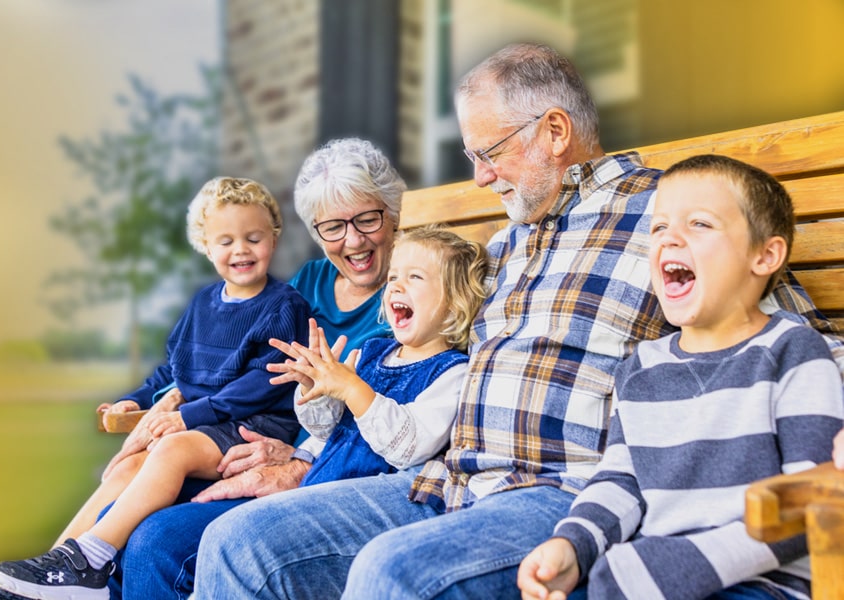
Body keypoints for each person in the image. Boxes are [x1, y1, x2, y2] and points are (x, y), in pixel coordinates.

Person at [192, 43, 843, 600]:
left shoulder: (666, 213)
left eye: (489, 153)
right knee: (237, 544)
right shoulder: (505, 243)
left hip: (563, 494)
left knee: (393, 575)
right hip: (445, 480)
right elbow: (420, 359)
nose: (478, 178)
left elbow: (796, 340)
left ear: (554, 132)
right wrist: (305, 449)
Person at [517, 154, 844, 599]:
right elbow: (621, 482)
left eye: (700, 224)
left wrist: (683, 564)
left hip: (763, 582)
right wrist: (571, 546)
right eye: (658, 227)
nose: (670, 239)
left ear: (765, 255)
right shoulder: (641, 368)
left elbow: (812, 501)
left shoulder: (792, 350)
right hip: (656, 573)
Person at [97, 138, 410, 600]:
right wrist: (166, 400)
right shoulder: (305, 286)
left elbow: (404, 414)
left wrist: (297, 459)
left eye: (367, 218)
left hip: (324, 473)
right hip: (238, 445)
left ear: (393, 214)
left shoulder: (411, 297)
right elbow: (228, 367)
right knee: (117, 516)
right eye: (332, 227)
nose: (353, 240)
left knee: (156, 542)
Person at [0, 176, 312, 600]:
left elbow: (266, 382)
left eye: (253, 237)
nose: (241, 250)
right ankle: (51, 574)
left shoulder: (285, 305)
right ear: (205, 246)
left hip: (253, 427)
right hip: (203, 427)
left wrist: (187, 415)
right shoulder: (202, 304)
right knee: (125, 468)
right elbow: (174, 369)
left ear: (274, 238)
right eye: (225, 240)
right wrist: (134, 400)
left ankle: (92, 559)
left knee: (169, 449)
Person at [269, 226, 486, 488]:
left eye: (415, 277)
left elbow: (409, 447)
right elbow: (326, 429)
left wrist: (352, 389)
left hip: (368, 499)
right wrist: (315, 388)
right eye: (393, 276)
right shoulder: (373, 352)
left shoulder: (452, 373)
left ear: (453, 305)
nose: (396, 285)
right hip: (318, 487)